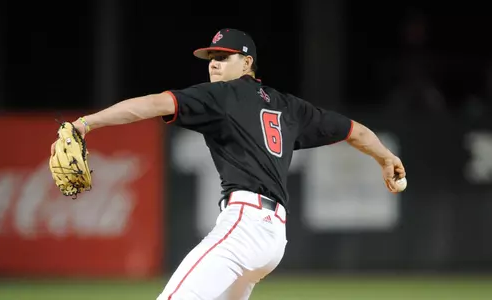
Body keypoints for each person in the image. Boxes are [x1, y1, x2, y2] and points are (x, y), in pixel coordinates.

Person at [51, 28, 406, 300]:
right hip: (272, 241)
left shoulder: (222, 95)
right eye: (211, 57)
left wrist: (86, 123)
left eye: (224, 56)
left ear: (247, 63)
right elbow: (353, 131)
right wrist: (386, 158)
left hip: (244, 226)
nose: (214, 64)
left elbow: (152, 104)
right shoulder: (290, 106)